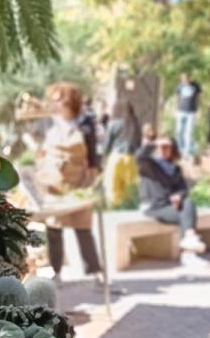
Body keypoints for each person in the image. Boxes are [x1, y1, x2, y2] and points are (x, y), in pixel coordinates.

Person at [36, 82, 103, 284]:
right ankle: (56, 272)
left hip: (78, 181)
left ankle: (94, 272)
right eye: (53, 99)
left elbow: (92, 154)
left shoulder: (85, 124)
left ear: (69, 101)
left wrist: (92, 180)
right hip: (55, 183)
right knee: (54, 229)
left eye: (58, 99)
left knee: (83, 228)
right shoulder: (49, 123)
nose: (54, 103)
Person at [137, 136, 207, 254]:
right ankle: (188, 251)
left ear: (172, 149)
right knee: (186, 216)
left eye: (167, 147)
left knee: (189, 204)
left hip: (169, 207)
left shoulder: (175, 169)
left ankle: (189, 240)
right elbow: (140, 157)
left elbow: (183, 189)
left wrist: (178, 196)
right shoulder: (149, 166)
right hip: (154, 207)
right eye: (161, 147)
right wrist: (154, 143)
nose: (163, 150)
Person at [102, 99, 142, 207]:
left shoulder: (113, 124)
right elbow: (139, 144)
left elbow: (107, 145)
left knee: (113, 189)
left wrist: (104, 159)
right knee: (130, 190)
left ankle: (114, 210)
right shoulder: (135, 123)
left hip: (116, 157)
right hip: (131, 158)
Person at [175, 73, 202, 157]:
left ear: (189, 78)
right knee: (179, 131)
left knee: (189, 132)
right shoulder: (180, 86)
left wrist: (199, 110)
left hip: (191, 112)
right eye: (183, 79)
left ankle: (186, 152)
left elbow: (199, 98)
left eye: (186, 79)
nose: (185, 81)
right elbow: (177, 97)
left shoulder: (195, 86)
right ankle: (180, 149)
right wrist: (175, 109)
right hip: (181, 111)